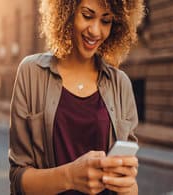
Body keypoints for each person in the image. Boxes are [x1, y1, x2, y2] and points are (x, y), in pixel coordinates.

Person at [9, 0, 145, 194]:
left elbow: (128, 180)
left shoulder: (120, 83)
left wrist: (129, 187)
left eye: (106, 21)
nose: (96, 31)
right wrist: (71, 177)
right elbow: (18, 180)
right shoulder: (31, 72)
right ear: (67, 12)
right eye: (87, 16)